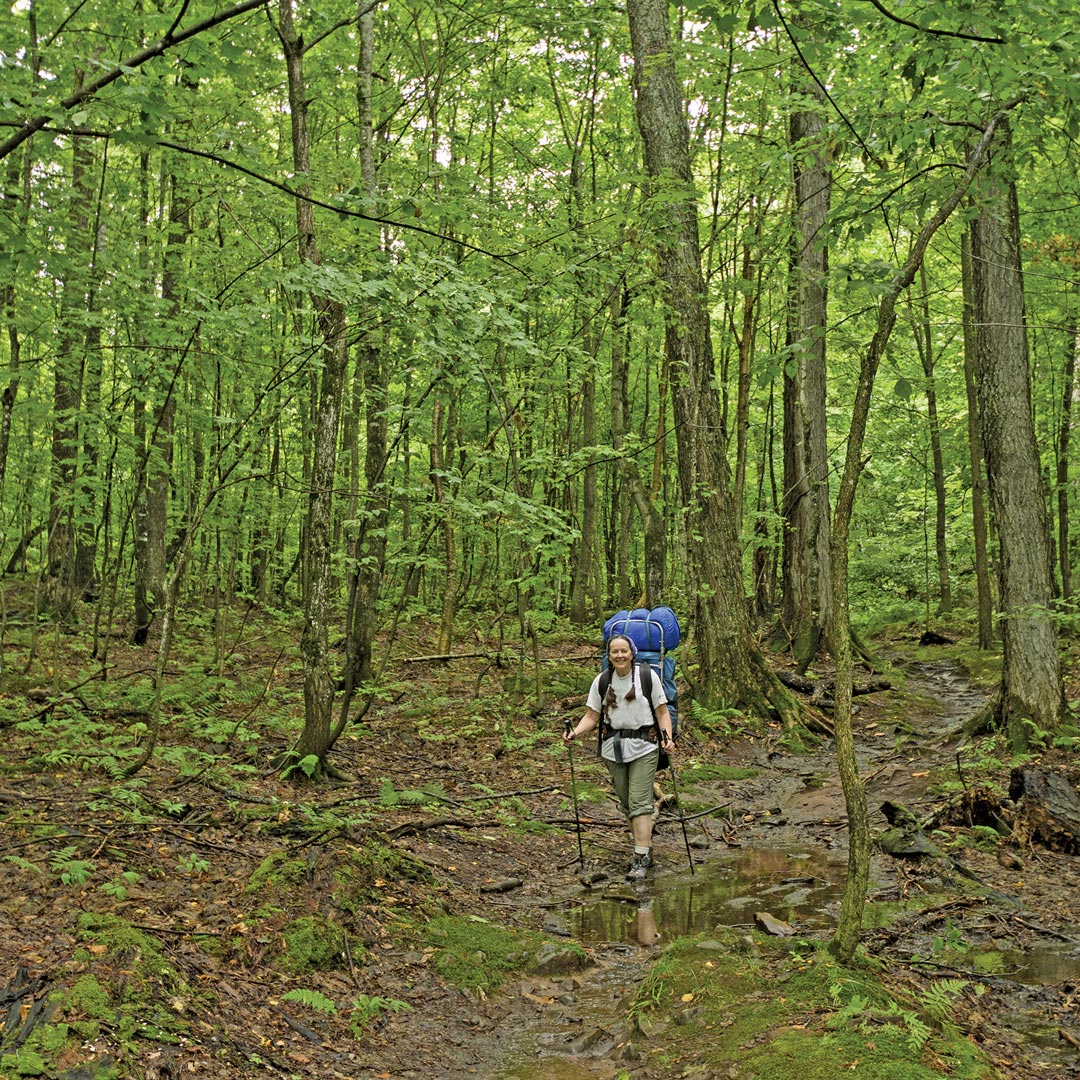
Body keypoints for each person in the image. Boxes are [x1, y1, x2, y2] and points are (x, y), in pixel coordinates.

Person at [563, 633, 674, 881]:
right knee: (626, 803)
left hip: (645, 746)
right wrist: (575, 733)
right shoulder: (602, 681)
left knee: (639, 803)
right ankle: (645, 848)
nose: (620, 655)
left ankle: (641, 857)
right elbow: (592, 716)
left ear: (632, 653)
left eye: (624, 650)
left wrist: (667, 737)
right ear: (609, 656)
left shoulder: (647, 677)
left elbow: (662, 711)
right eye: (615, 652)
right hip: (612, 749)